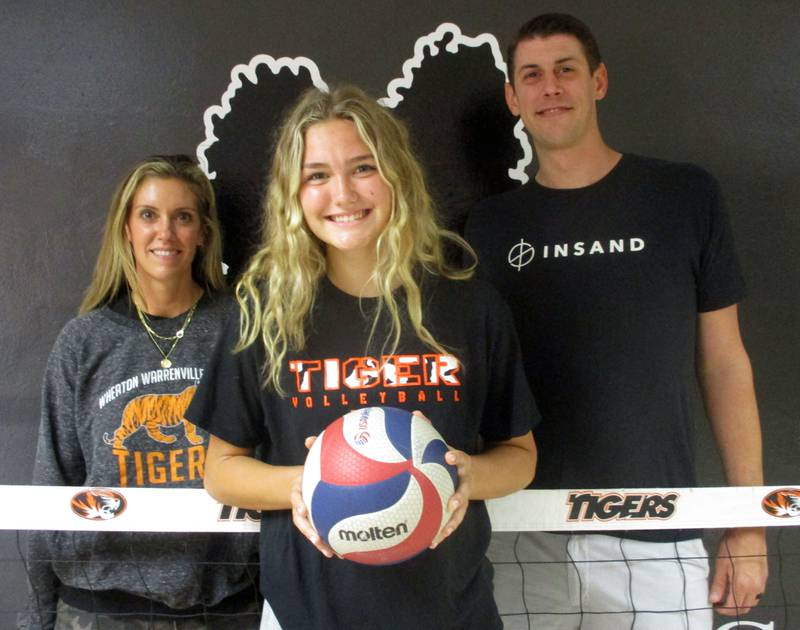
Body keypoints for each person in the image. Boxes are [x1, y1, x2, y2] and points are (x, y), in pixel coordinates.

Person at [185, 85, 538, 630]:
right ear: (294, 194)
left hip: (449, 612)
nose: (343, 193)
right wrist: (309, 484)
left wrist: (465, 477)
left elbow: (520, 454)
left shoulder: (470, 307)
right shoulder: (261, 314)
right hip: (308, 614)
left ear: (397, 175)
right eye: (318, 175)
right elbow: (220, 471)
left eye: (363, 167)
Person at [464, 13, 767, 629]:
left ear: (598, 81)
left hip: (657, 528)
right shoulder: (488, 227)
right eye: (532, 75)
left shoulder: (682, 195)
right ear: (512, 98)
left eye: (565, 70)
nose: (550, 88)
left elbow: (726, 363)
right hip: (525, 532)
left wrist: (748, 520)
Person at [20, 155, 260, 629]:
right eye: (149, 215)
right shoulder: (83, 342)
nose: (165, 233)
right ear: (126, 228)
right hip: (100, 607)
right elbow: (52, 483)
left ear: (203, 233)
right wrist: (38, 617)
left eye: (183, 217)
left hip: (223, 606)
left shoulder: (242, 329)